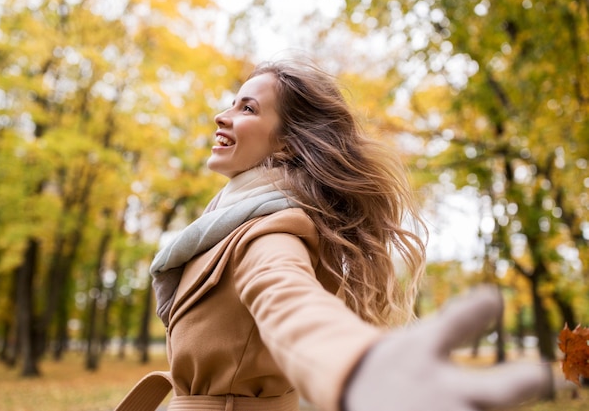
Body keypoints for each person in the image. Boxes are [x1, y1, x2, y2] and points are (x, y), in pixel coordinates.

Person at [116, 58, 552, 411]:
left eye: (247, 108)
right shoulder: (224, 224)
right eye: (233, 103)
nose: (222, 115)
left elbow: (290, 306)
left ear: (286, 145)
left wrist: (358, 367)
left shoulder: (272, 231)